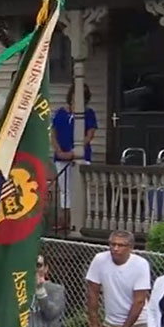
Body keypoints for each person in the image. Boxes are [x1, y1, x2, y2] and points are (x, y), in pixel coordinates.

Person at [51, 84, 98, 229]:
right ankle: (64, 219)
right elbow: (53, 134)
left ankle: (76, 221)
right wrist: (59, 151)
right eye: (75, 94)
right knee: (65, 190)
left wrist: (75, 152)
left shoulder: (88, 113)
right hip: (61, 156)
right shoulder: (60, 112)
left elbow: (89, 135)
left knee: (79, 189)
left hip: (80, 156)